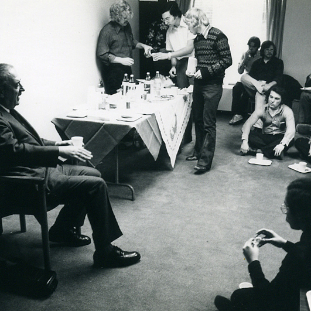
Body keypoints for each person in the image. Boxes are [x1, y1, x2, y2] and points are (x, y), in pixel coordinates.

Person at [0, 63, 140, 268]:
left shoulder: (6, 111)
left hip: (36, 171)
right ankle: (105, 252)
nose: (22, 89)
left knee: (93, 172)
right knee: (95, 185)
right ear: (2, 91)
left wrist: (58, 144)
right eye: (17, 85)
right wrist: (59, 152)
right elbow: (13, 152)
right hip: (27, 181)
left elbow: (28, 142)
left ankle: (62, 230)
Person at [214, 177, 311, 311]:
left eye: (287, 207)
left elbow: (269, 295)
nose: (285, 211)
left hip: (293, 303)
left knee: (239, 296)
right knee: (241, 296)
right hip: (302, 286)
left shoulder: (295, 260)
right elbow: (304, 254)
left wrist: (253, 261)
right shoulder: (308, 236)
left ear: (300, 215)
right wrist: (284, 243)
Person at [184, 8, 232, 174]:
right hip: (199, 84)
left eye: (188, 24)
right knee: (197, 119)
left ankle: (205, 162)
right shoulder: (197, 39)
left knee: (208, 123)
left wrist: (206, 71)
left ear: (196, 22)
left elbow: (227, 60)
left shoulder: (218, 35)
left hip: (212, 85)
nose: (187, 27)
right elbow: (200, 61)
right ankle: (198, 152)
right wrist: (193, 70)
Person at [152, 1, 196, 144]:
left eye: (167, 18)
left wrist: (169, 56)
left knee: (195, 102)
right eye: (164, 19)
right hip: (181, 65)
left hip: (194, 63)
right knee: (184, 102)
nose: (165, 22)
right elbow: (172, 52)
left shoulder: (189, 25)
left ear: (176, 15)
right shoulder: (169, 31)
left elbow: (189, 49)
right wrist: (173, 66)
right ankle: (185, 137)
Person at [96, 0, 152, 95]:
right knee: (117, 100)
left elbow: (132, 42)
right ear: (116, 17)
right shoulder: (107, 31)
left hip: (126, 69)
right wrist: (120, 60)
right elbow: (101, 54)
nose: (127, 20)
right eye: (124, 18)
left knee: (130, 96)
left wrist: (144, 46)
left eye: (128, 17)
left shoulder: (126, 26)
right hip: (113, 72)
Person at [240, 86, 295, 159]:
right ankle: (272, 152)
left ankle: (258, 151)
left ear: (282, 100)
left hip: (279, 138)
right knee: (250, 134)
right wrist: (244, 142)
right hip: (266, 136)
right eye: (271, 97)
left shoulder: (287, 111)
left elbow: (291, 130)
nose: (272, 101)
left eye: (276, 98)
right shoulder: (262, 109)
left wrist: (282, 144)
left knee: (291, 140)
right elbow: (247, 125)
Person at [241, 40, 284, 114]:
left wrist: (268, 85)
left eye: (271, 50)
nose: (269, 52)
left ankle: (259, 123)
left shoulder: (278, 62)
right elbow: (251, 77)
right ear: (263, 50)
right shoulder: (257, 63)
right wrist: (259, 85)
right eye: (267, 49)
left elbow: (278, 78)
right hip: (257, 86)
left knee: (260, 94)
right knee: (243, 77)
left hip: (270, 88)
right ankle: (260, 88)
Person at [229, 36, 261, 125]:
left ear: (258, 47)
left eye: (253, 46)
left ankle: (241, 115)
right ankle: (235, 114)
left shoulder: (261, 55)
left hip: (255, 81)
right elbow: (240, 71)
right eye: (249, 46)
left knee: (246, 94)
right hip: (246, 79)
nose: (251, 48)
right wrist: (245, 59)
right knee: (236, 88)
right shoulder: (245, 54)